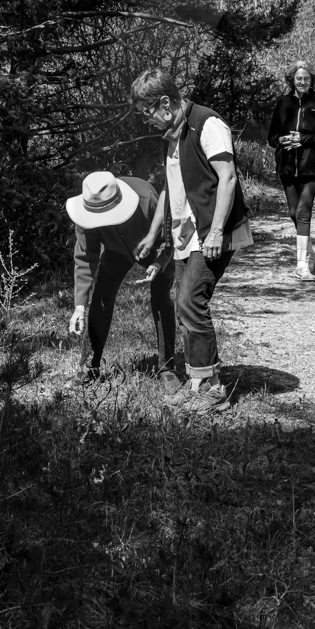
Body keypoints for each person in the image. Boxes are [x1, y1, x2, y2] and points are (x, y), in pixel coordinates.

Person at [129, 69, 252, 412]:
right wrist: (154, 233)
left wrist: (215, 231)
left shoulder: (207, 125)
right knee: (187, 307)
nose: (146, 120)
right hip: (186, 234)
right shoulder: (174, 134)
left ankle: (212, 391)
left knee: (190, 302)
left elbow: (227, 179)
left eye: (147, 112)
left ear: (165, 104)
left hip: (213, 232)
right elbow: (171, 187)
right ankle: (198, 381)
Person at [67, 170, 177, 386]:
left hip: (153, 246)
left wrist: (161, 262)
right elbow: (85, 258)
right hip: (115, 251)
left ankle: (168, 368)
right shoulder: (85, 212)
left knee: (161, 297)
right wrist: (79, 306)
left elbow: (172, 235)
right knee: (101, 298)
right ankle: (89, 367)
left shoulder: (148, 202)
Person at [267, 60, 315, 280]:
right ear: (292, 80)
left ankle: (302, 265)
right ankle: (308, 250)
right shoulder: (282, 102)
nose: (302, 81)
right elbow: (271, 137)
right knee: (292, 213)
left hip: (312, 165)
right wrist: (282, 140)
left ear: (312, 80)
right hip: (287, 165)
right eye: (298, 78)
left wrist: (305, 139)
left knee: (303, 211)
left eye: (306, 78)